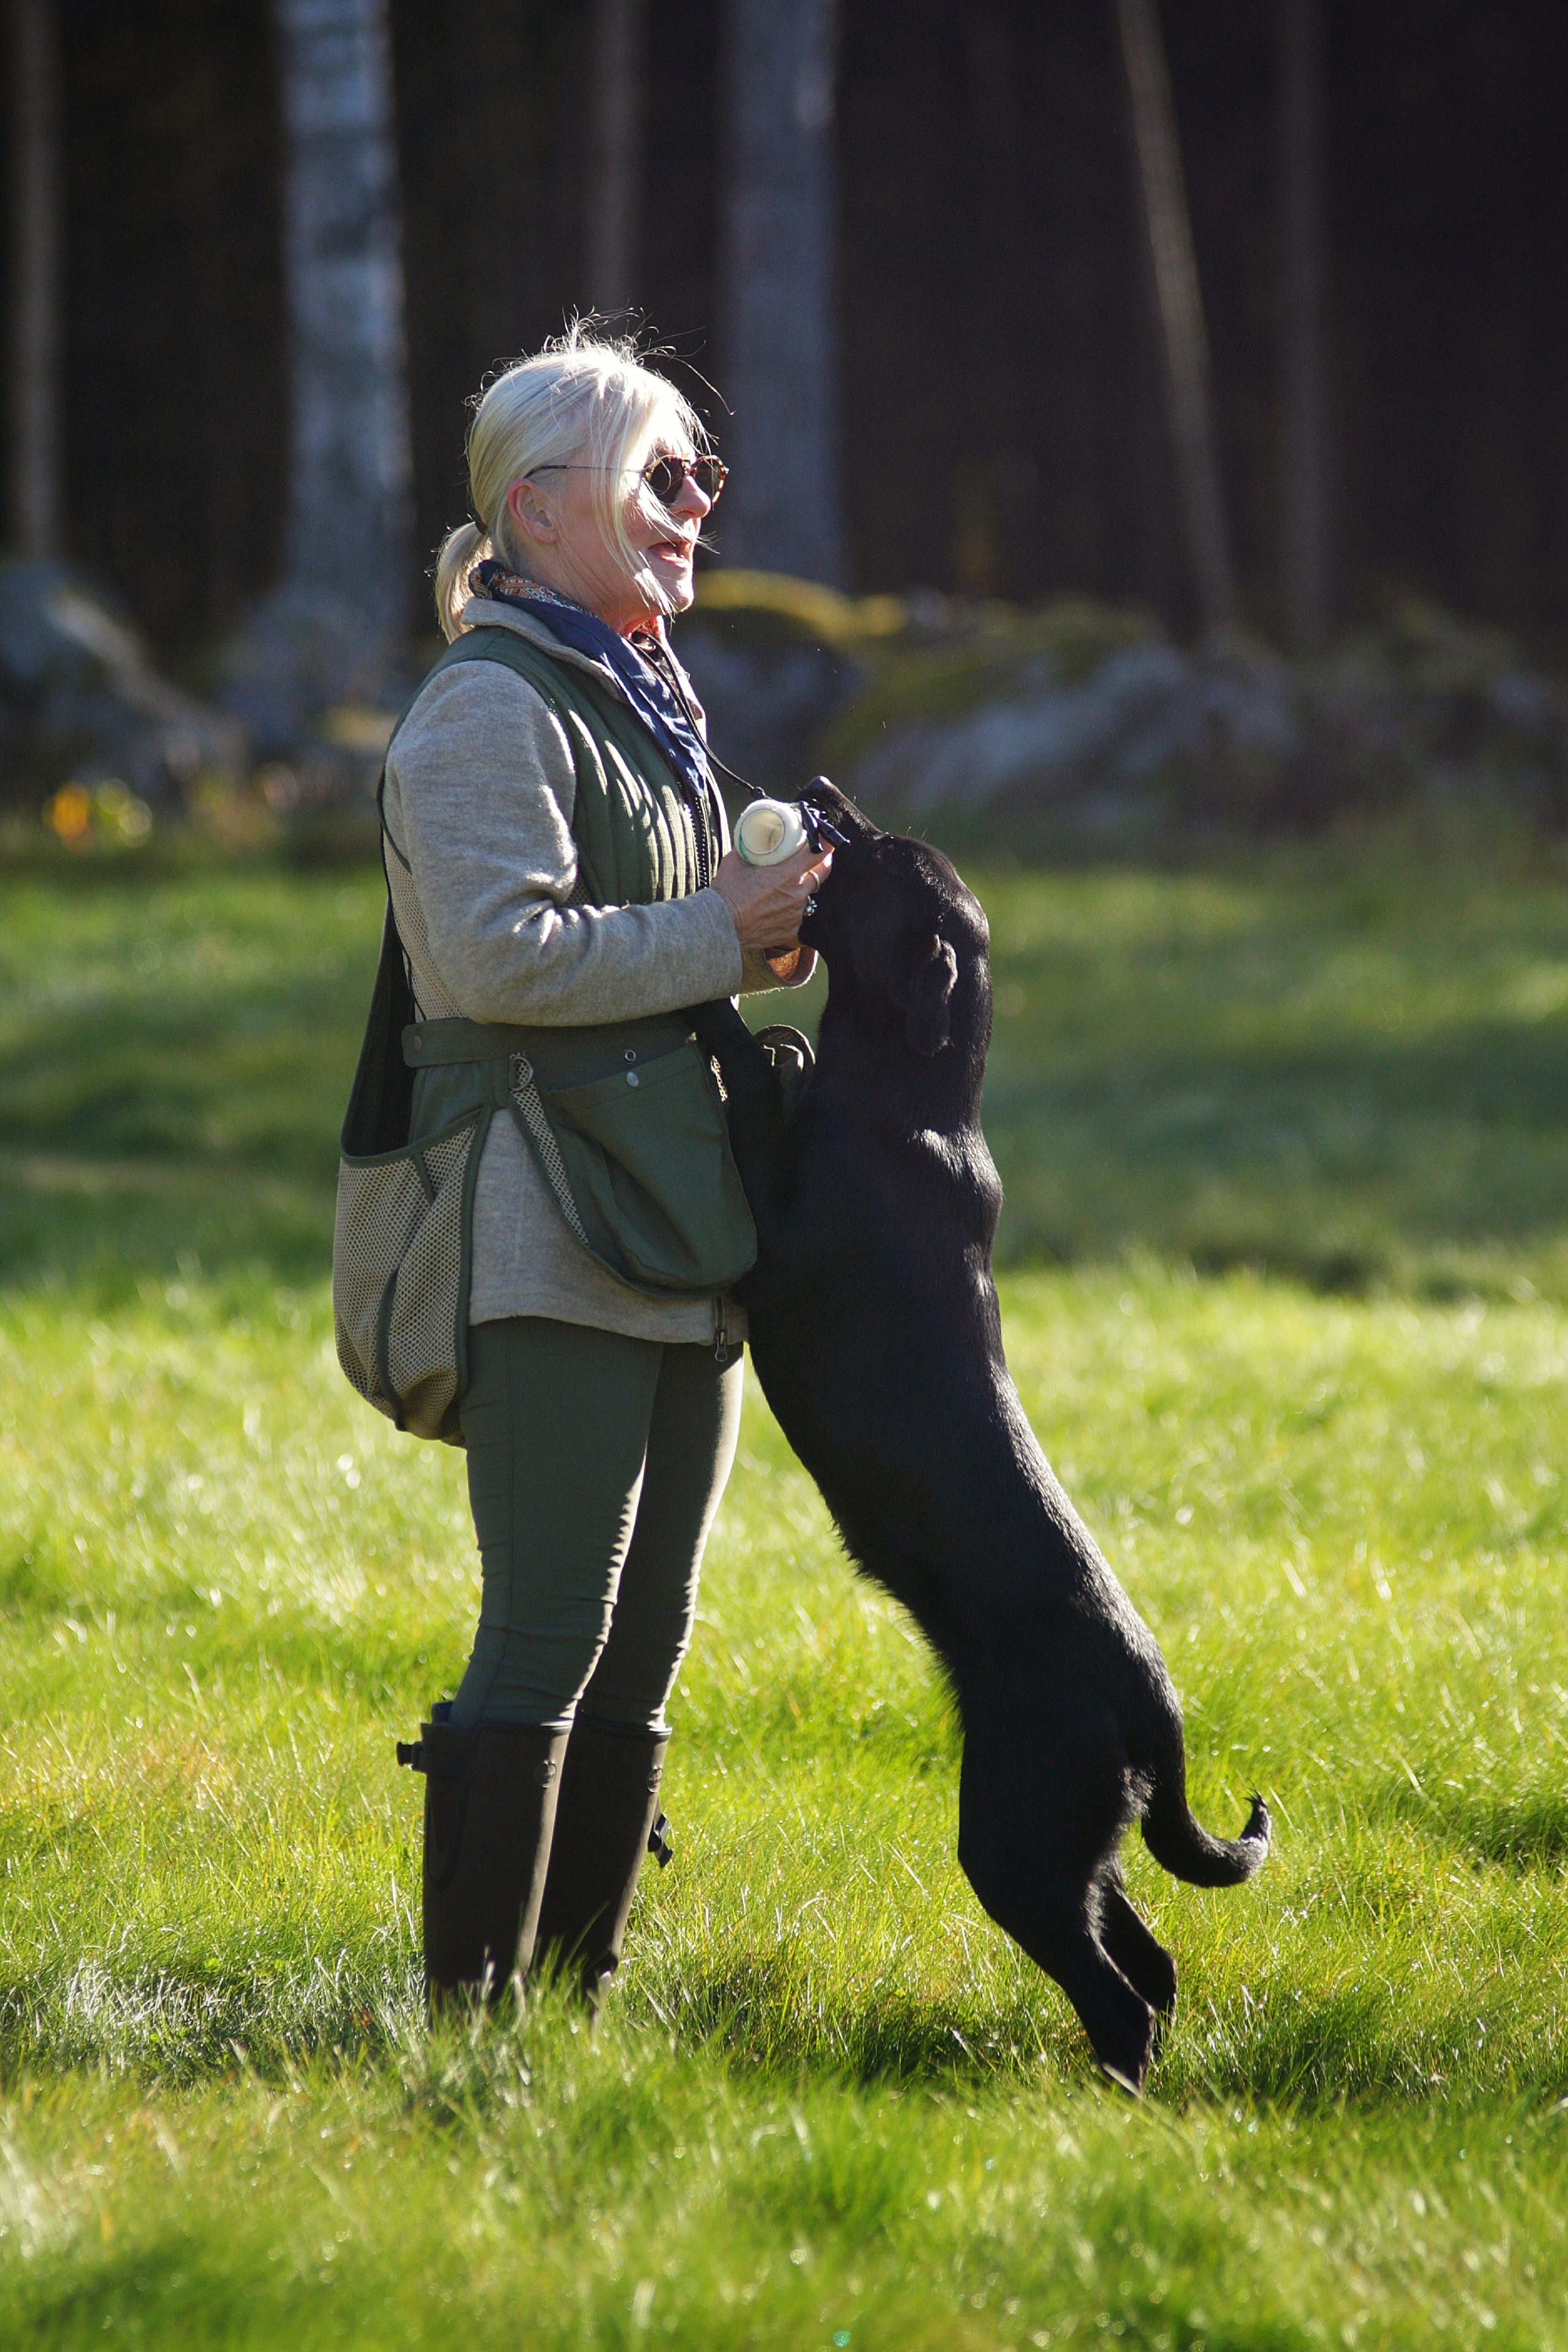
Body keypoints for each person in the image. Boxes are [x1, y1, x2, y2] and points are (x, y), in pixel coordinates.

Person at [384, 328, 830, 2014]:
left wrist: (757, 938)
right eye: (663, 475)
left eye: (699, 477)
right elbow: (501, 959)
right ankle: (470, 2030)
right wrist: (719, 927)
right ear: (542, 504)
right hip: (544, 1213)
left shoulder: (634, 692)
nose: (696, 501)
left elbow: (644, 946)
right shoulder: (486, 705)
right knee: (553, 1632)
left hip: (669, 1209)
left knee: (645, 1651)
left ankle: (568, 2013)